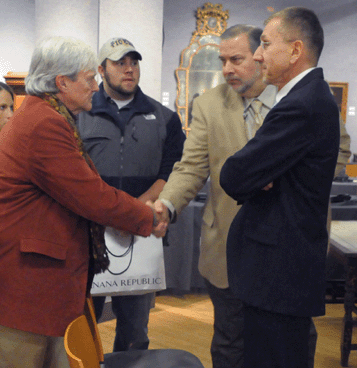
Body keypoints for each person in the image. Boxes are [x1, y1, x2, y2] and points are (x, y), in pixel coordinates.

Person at [154, 23, 350, 368]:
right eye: (222, 60)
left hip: (289, 252)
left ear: (260, 56)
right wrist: (166, 205)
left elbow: (337, 152)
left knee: (292, 345)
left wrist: (283, 173)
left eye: (237, 59)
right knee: (230, 345)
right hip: (229, 247)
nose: (227, 69)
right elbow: (191, 166)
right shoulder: (209, 105)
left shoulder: (300, 98)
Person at [0, 36, 167, 368]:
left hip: (41, 284)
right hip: (31, 289)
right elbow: (90, 196)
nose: (95, 85)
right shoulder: (44, 122)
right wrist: (148, 218)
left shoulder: (45, 115)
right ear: (62, 82)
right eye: (89, 77)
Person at [219, 7, 340, 368]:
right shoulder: (307, 98)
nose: (258, 54)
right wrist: (262, 176)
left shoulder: (301, 105)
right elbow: (251, 173)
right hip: (281, 270)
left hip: (278, 272)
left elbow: (234, 175)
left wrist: (257, 175)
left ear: (295, 50)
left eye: (266, 44)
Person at [77, 37, 185, 352]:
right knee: (83, 326)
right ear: (101, 69)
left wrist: (132, 213)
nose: (129, 69)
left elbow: (172, 173)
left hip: (142, 233)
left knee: (135, 332)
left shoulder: (165, 117)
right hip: (89, 235)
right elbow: (74, 177)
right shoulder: (80, 114)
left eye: (133, 62)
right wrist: (113, 213)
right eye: (119, 62)